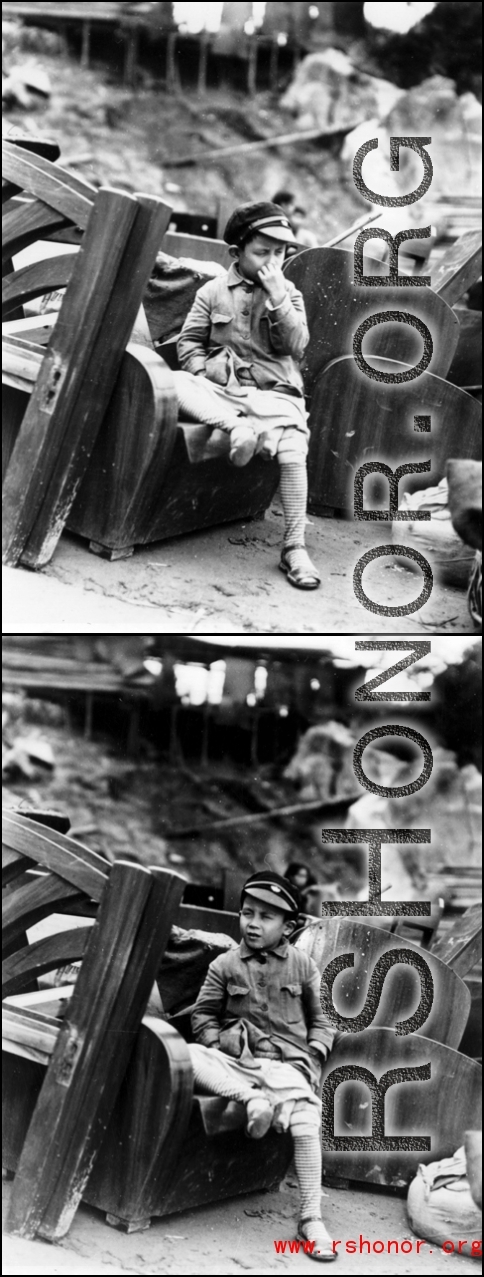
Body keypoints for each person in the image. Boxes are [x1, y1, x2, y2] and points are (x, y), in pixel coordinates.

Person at [189, 871, 337, 1261]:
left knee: (306, 1117)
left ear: (288, 927)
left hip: (287, 1065)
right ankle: (252, 1099)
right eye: (247, 913)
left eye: (265, 917)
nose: (252, 924)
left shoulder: (303, 967)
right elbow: (203, 1015)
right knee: (189, 1055)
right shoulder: (224, 965)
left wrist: (313, 1061)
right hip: (238, 1064)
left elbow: (323, 1022)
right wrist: (215, 1044)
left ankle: (311, 1216)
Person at [173, 202, 321, 589]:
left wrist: (278, 300)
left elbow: (297, 346)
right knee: (174, 381)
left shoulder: (289, 293)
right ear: (237, 254)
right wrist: (203, 372)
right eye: (262, 252)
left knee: (293, 451)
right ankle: (236, 428)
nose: (274, 261)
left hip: (275, 396)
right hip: (225, 396)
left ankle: (294, 546)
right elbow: (189, 342)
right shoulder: (212, 292)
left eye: (281, 253)